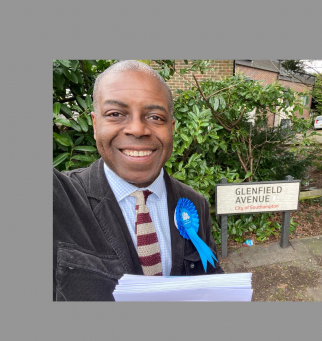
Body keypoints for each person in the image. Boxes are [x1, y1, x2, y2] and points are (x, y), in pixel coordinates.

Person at [53, 60, 224, 301]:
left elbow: (209, 272)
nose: (137, 129)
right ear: (94, 124)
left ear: (171, 128)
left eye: (155, 117)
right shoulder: (59, 201)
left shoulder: (195, 203)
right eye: (115, 114)